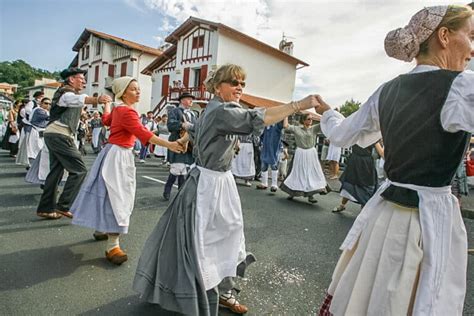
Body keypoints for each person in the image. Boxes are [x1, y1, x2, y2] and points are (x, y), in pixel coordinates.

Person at [317, 5, 473, 315]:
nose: (472, 49)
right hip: (425, 219)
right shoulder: (460, 86)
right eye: (471, 36)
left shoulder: (386, 91)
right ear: (444, 36)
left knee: (372, 290)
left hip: (385, 214)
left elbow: (342, 134)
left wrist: (329, 112)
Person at [133, 64, 320, 315]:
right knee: (209, 240)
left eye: (242, 83)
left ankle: (222, 289)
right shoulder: (223, 110)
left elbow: (196, 130)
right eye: (234, 83)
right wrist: (297, 105)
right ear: (218, 86)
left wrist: (183, 141)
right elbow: (258, 118)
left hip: (216, 179)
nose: (239, 88)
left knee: (224, 236)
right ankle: (210, 291)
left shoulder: (212, 108)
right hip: (208, 184)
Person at [70, 77, 183, 265]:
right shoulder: (126, 111)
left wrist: (107, 105)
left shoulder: (119, 109)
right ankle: (112, 244)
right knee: (118, 196)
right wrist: (169, 144)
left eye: (138, 89)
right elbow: (142, 133)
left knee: (106, 192)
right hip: (118, 156)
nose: (138, 92)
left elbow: (106, 120)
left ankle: (101, 228)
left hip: (112, 154)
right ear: (123, 92)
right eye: (133, 89)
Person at [36, 67, 112, 220]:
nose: (84, 81)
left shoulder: (68, 93)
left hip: (55, 134)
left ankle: (45, 208)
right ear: (71, 79)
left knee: (55, 172)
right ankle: (64, 205)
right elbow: (76, 99)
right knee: (79, 170)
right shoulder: (65, 93)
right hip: (59, 135)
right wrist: (97, 99)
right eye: (81, 78)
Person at [280, 113, 327, 203]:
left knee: (310, 174)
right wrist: (286, 114)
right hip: (300, 153)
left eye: (311, 119)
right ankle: (292, 193)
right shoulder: (297, 129)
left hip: (310, 154)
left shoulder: (314, 128)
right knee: (297, 173)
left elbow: (324, 123)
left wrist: (329, 113)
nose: (311, 121)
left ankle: (311, 196)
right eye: (309, 119)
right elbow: (286, 126)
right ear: (303, 120)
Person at [162, 92, 197, 200]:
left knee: (184, 169)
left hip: (190, 144)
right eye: (188, 99)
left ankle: (180, 193)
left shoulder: (193, 114)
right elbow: (170, 125)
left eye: (191, 99)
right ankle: (167, 190)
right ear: (182, 101)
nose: (191, 101)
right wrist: (182, 125)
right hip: (178, 141)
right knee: (177, 168)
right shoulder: (175, 111)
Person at [332, 142, 384, 213]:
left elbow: (381, 153)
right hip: (355, 161)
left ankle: (363, 208)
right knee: (349, 183)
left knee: (366, 186)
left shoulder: (373, 136)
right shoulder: (356, 133)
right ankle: (342, 205)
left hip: (365, 164)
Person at [256, 118, 287, 192]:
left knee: (274, 165)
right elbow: (261, 135)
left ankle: (274, 184)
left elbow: (284, 125)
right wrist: (260, 143)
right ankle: (264, 183)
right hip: (265, 147)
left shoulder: (277, 124)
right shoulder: (266, 125)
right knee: (264, 165)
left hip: (274, 148)